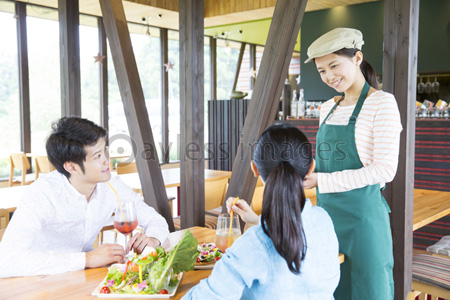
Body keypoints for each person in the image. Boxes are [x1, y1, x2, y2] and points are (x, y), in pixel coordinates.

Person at [183, 124, 340, 300]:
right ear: (311, 168)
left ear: (255, 168)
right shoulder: (323, 220)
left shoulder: (253, 243)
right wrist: (256, 220)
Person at [0, 117, 169, 278]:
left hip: (86, 278)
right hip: (38, 281)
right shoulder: (42, 194)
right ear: (72, 167)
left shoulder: (111, 185)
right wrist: (87, 259)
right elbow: (6, 261)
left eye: (105, 152)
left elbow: (155, 219)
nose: (107, 161)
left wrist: (154, 239)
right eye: (97, 156)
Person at [302, 28, 402, 299]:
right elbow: (325, 159)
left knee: (368, 291)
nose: (329, 76)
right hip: (327, 221)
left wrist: (321, 180)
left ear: (357, 58)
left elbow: (384, 170)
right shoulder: (327, 107)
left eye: (334, 65)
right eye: (322, 70)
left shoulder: (382, 104)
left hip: (364, 224)